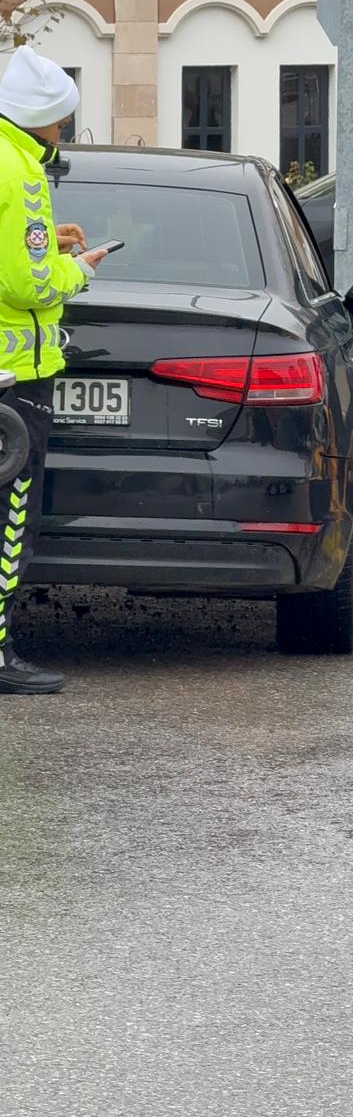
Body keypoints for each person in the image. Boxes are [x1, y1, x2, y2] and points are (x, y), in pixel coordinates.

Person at [0, 47, 109, 693]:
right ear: (36, 115)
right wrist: (79, 269)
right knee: (11, 521)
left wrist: (49, 245)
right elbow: (28, 284)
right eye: (60, 119)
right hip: (15, 378)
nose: (63, 129)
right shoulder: (20, 172)